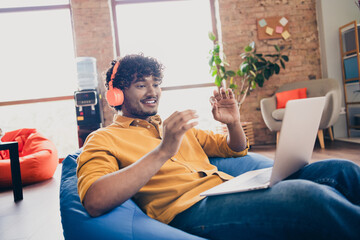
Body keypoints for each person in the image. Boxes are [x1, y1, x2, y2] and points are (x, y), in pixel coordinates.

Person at [77, 53, 360, 240]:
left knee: (342, 170)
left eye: (156, 84)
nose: (153, 92)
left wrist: (233, 123)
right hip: (190, 211)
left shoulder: (174, 126)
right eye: (141, 85)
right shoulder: (103, 138)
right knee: (307, 197)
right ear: (116, 94)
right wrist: (164, 151)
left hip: (228, 188)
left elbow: (235, 150)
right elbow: (94, 200)